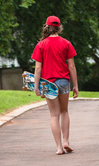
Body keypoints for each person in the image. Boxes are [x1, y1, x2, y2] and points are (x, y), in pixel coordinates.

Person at [31, 16, 79, 155]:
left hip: (48, 83)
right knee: (64, 111)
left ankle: (59, 148)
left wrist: (36, 87)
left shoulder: (41, 45)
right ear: (59, 27)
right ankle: (66, 142)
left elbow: (38, 68)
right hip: (64, 81)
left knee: (54, 115)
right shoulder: (66, 43)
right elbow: (72, 66)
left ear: (47, 27)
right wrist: (75, 85)